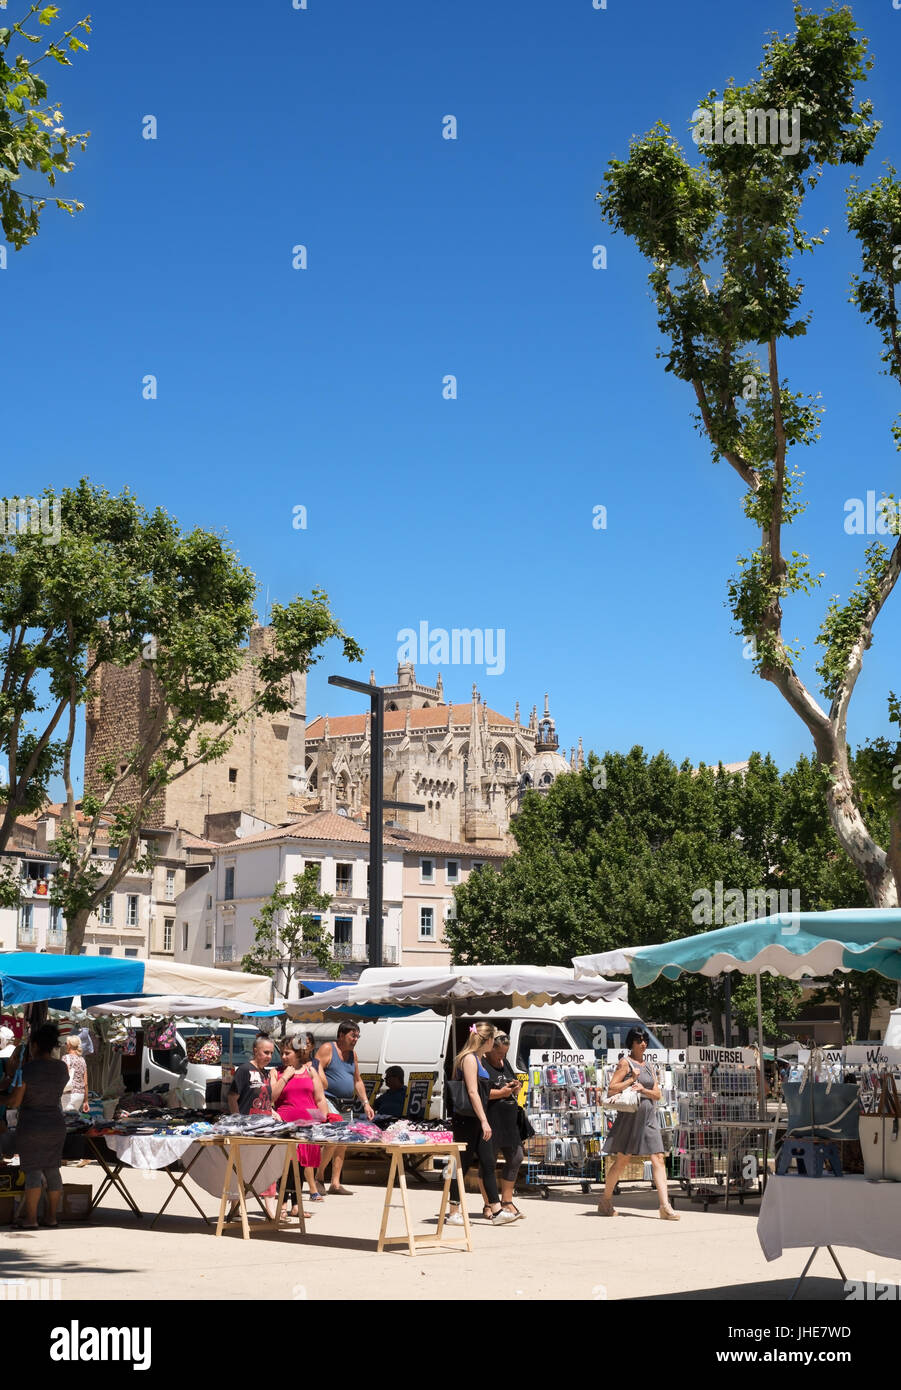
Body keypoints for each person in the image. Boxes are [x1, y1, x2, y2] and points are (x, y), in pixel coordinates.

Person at [598, 1027, 679, 1220]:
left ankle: (665, 1206)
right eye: (638, 1041)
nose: (643, 1044)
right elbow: (611, 1089)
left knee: (658, 1158)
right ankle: (605, 1201)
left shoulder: (650, 1066)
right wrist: (631, 1080)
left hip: (649, 1117)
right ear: (631, 1043)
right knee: (622, 1160)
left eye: (645, 1041)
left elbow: (658, 1095)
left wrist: (643, 1089)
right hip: (630, 1117)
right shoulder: (624, 1063)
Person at [446, 1022, 517, 1227]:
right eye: (493, 1039)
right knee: (462, 1164)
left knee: (487, 1162)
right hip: (468, 1119)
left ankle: (496, 1209)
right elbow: (472, 1092)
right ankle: (453, 1211)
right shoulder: (469, 1059)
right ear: (486, 1040)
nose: (494, 1043)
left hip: (477, 1118)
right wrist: (484, 1120)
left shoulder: (478, 1058)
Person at [2, 1023, 68, 1228]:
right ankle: (51, 1217)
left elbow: (15, 1102)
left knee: (32, 1171)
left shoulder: (28, 1070)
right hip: (56, 1123)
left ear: (36, 1045)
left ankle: (31, 1219)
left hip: (32, 1125)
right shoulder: (61, 1068)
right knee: (53, 1169)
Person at [270, 1033, 329, 1215]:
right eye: (282, 1053)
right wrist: (285, 1077)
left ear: (298, 1053)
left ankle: (296, 1205)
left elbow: (320, 1098)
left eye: (288, 1053)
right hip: (286, 1125)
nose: (284, 1057)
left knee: (302, 1164)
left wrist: (323, 1119)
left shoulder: (309, 1071)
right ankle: (283, 1203)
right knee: (286, 1164)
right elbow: (271, 1097)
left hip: (308, 1125)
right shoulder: (276, 1072)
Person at [314, 1023, 374, 1195]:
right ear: (341, 1035)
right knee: (333, 1139)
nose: (355, 1040)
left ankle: (335, 1183)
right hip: (329, 1099)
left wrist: (366, 1103)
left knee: (343, 1143)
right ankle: (319, 1176)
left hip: (347, 1102)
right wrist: (323, 1084)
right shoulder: (328, 1048)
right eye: (352, 1036)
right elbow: (315, 1069)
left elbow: (358, 1080)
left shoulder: (353, 1055)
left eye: (357, 1036)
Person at [478, 1032, 525, 1221]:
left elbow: (509, 1081)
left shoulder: (505, 1063)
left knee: (516, 1157)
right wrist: (501, 1093)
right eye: (499, 1054)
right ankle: (489, 1203)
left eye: (505, 1054)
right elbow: (479, 1092)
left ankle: (507, 1201)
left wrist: (515, 1086)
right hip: (491, 1119)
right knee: (487, 1163)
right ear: (490, 1049)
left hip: (509, 1120)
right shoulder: (481, 1064)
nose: (502, 1058)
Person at [227, 1034, 276, 1115]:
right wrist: (237, 1120)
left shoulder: (267, 1073)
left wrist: (274, 1113)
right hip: (248, 1123)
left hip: (265, 1123)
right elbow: (232, 1098)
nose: (269, 1056)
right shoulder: (245, 1069)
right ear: (255, 1051)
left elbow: (266, 1101)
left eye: (271, 1053)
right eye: (266, 1052)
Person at [61, 1035, 90, 1114]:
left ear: (69, 1045)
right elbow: (86, 1083)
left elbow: (63, 1078)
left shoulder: (66, 1058)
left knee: (67, 1121)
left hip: (69, 1094)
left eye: (66, 1044)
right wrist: (86, 1101)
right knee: (74, 1121)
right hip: (80, 1095)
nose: (65, 1045)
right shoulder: (82, 1060)